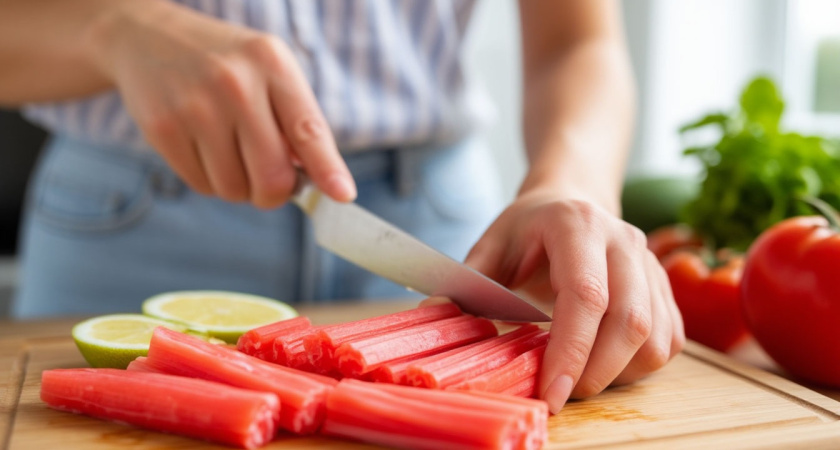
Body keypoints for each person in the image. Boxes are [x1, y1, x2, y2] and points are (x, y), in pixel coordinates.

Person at [0, 0, 683, 413]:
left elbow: (577, 41)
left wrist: (574, 184)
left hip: (443, 226)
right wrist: (115, 27)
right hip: (129, 226)